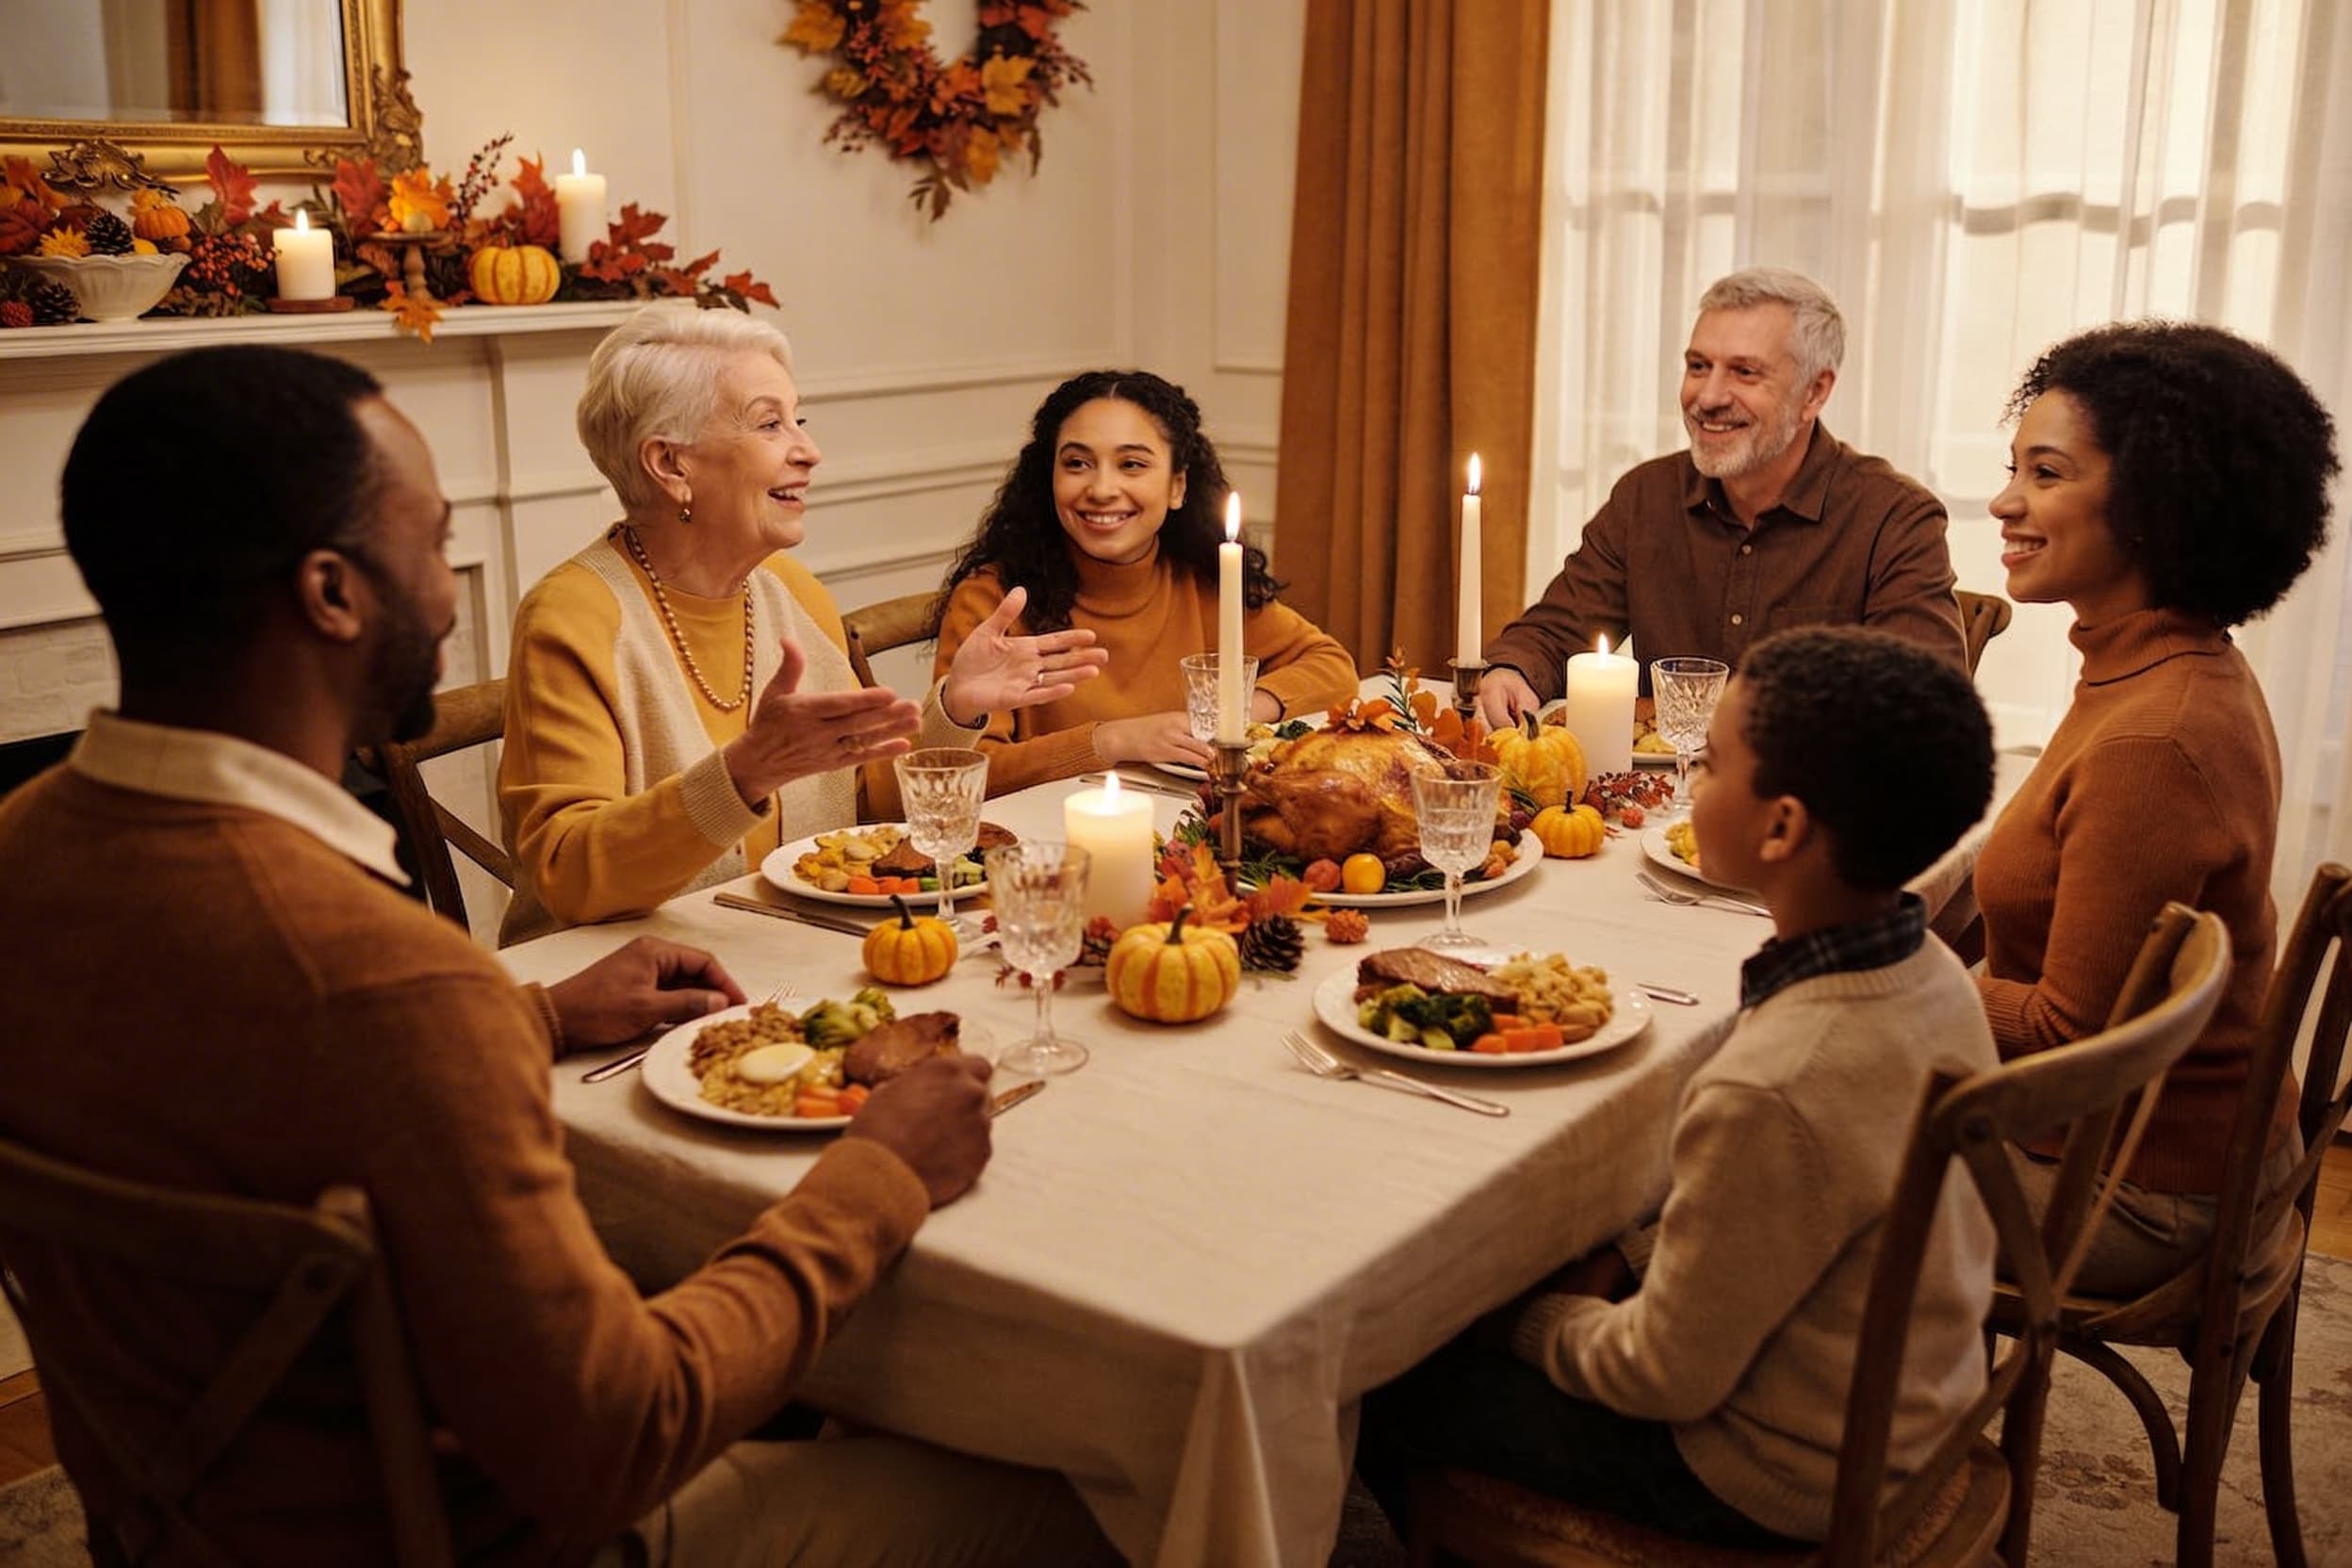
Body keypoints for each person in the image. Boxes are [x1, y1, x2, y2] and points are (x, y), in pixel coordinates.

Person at [0, 344, 1113, 1565]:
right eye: (430, 542)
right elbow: (620, 1433)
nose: (447, 588)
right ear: (331, 593)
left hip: (184, 1518)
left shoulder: (26, 847)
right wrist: (875, 1177)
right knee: (1086, 1492)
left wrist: (522, 1017)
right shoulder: (387, 974)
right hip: (490, 1537)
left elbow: (268, 1070)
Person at [1361, 628, 1999, 1546]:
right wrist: (1626, 1254)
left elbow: (1664, 1375)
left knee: (1393, 1370)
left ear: (1781, 827)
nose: (1692, 786)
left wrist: (1520, 1318)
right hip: (1908, 1402)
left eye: (1713, 767)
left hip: (1765, 1469)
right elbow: (1798, 1210)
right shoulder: (1934, 969)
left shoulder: (1777, 1081)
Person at [498, 306, 1107, 942]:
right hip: (614, 990)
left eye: (800, 420)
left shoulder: (791, 593)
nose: (809, 451)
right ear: (671, 465)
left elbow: (862, 813)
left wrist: (954, 709)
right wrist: (742, 776)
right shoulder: (575, 617)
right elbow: (564, 872)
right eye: (770, 424)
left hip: (781, 953)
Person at [1978, 320, 2339, 1295]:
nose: (2003, 501)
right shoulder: (2162, 663)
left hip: (2136, 1188)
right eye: (2015, 468)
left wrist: (1896, 973)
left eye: (2047, 474)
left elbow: (2066, 1034)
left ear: (2154, 505)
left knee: (1775, 1136)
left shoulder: (2155, 736)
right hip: (2154, 1148)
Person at [1477, 268, 1966, 727]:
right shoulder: (1645, 497)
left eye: (1744, 373)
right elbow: (1555, 630)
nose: (1708, 396)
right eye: (1698, 366)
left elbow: (1924, 711)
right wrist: (1513, 672)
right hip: (1651, 804)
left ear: (1814, 393)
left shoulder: (1895, 518)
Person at [931, 369, 1360, 792]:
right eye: (1077, 463)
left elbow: (1331, 667)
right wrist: (1113, 740)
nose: (1101, 488)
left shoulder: (1202, 579)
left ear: (1177, 487)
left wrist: (1231, 712)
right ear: (1050, 480)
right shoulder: (993, 600)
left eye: (1131, 464)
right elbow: (958, 776)